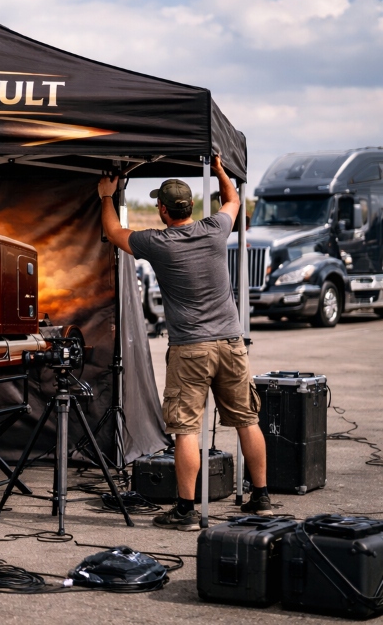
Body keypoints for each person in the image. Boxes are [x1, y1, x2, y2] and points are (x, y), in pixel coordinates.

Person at [97, 156, 271, 531]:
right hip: (230, 342)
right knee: (247, 420)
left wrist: (106, 196)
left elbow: (113, 232)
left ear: (162, 209)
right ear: (190, 206)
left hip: (191, 348)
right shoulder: (215, 229)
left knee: (186, 429)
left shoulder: (157, 242)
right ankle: (261, 498)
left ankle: (186, 510)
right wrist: (222, 171)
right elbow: (233, 200)